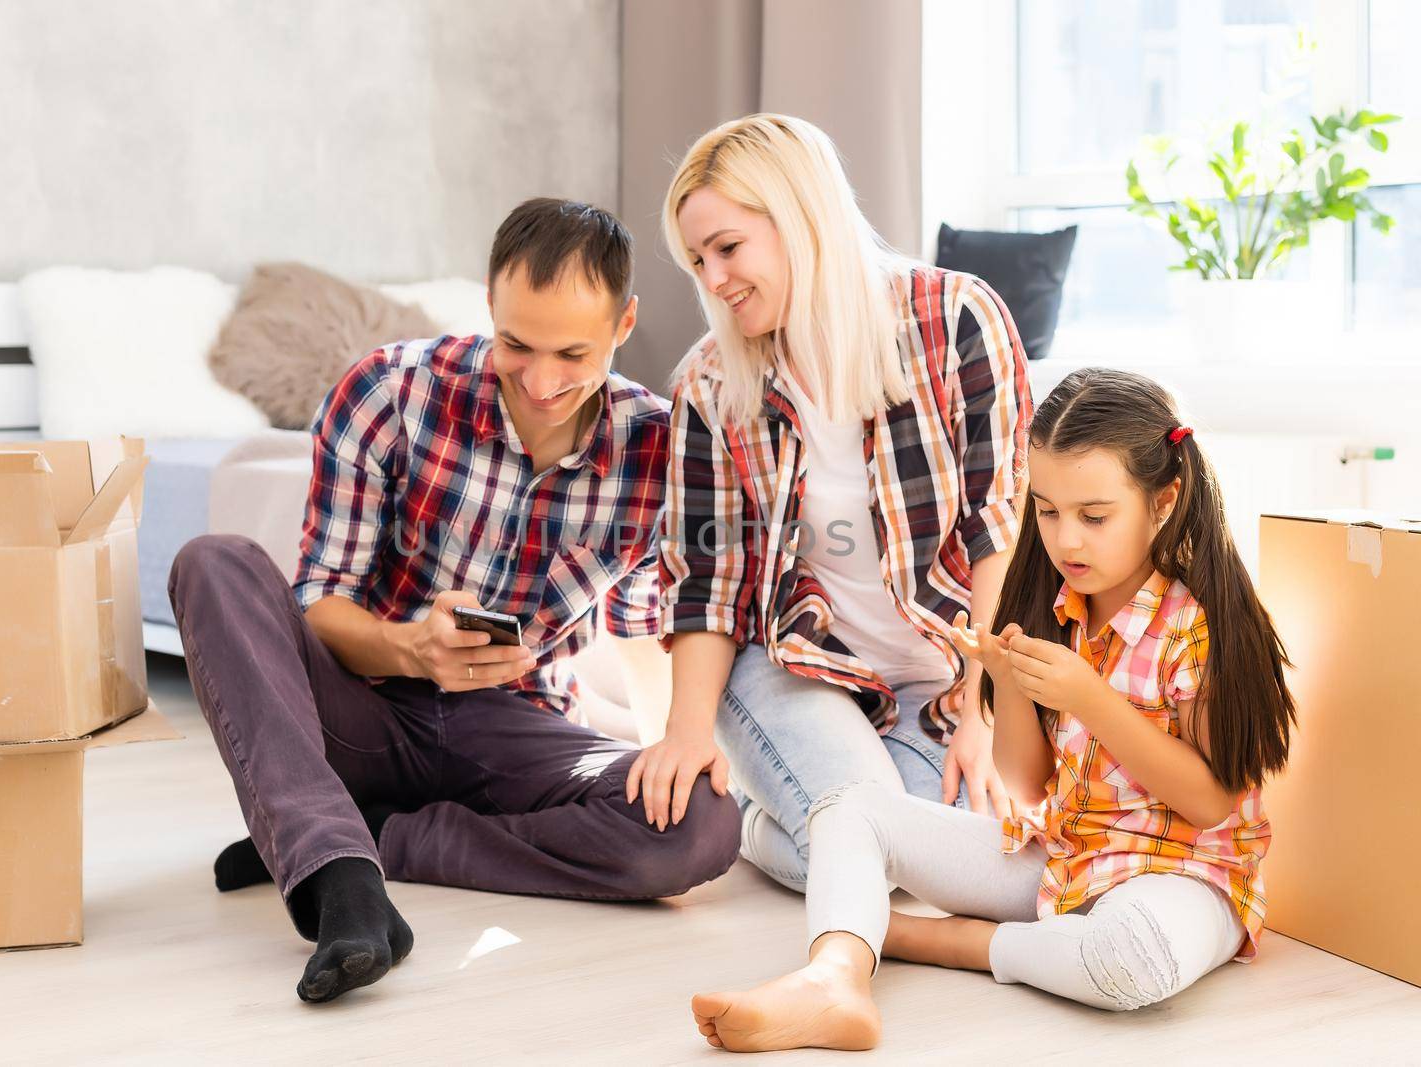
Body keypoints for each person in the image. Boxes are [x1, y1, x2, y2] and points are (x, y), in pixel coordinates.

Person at [168, 198, 741, 1004]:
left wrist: (670, 756)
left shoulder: (658, 449)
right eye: (517, 345)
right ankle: (341, 885)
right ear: (489, 305)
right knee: (213, 562)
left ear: (624, 324)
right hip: (360, 706)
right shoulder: (391, 390)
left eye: (573, 354)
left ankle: (365, 836)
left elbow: (650, 632)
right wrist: (410, 647)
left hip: (512, 729)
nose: (543, 383)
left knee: (704, 821)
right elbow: (323, 604)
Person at [692, 368, 1296, 1051]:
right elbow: (1030, 786)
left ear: (1164, 500)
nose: (1066, 540)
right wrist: (1009, 684)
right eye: (1046, 510)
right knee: (849, 806)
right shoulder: (1059, 607)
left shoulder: (1200, 627)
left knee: (1133, 957)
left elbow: (1213, 803)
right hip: (1072, 856)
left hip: (1186, 876)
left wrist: (1090, 699)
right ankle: (834, 978)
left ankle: (947, 940)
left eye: (1094, 516)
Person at [627, 114, 1032, 891]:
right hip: (794, 666)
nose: (712, 280)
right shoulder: (711, 383)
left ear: (800, 217)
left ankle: (774, 813)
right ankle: (753, 819)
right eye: (697, 261)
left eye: (727, 249)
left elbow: (1000, 536)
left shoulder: (954, 321)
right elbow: (708, 580)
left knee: (933, 859)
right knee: (887, 862)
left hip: (944, 677)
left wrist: (988, 715)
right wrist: (685, 734)